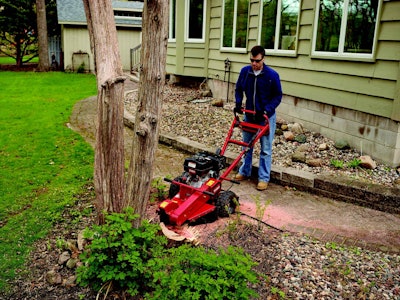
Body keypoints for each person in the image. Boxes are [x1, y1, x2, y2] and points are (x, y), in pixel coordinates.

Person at [234, 45, 282, 191]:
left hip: (265, 117)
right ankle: (244, 171)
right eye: (252, 60)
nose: (254, 64)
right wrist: (238, 103)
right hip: (249, 115)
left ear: (263, 59)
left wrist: (267, 110)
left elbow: (277, 96)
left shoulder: (271, 75)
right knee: (246, 145)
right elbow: (238, 89)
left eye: (257, 61)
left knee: (266, 149)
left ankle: (263, 178)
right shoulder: (245, 72)